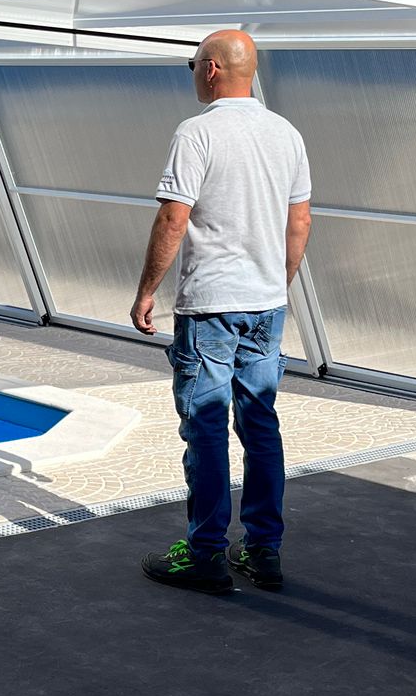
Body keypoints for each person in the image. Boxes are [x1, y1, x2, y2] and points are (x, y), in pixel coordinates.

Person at [131, 30, 311, 596]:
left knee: (206, 427)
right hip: (265, 306)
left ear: (211, 70)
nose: (191, 73)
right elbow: (300, 222)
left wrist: (145, 292)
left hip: (210, 305)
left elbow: (172, 219)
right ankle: (264, 550)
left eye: (192, 64)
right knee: (260, 425)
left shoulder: (198, 132)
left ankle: (205, 552)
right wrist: (274, 284)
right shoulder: (285, 133)